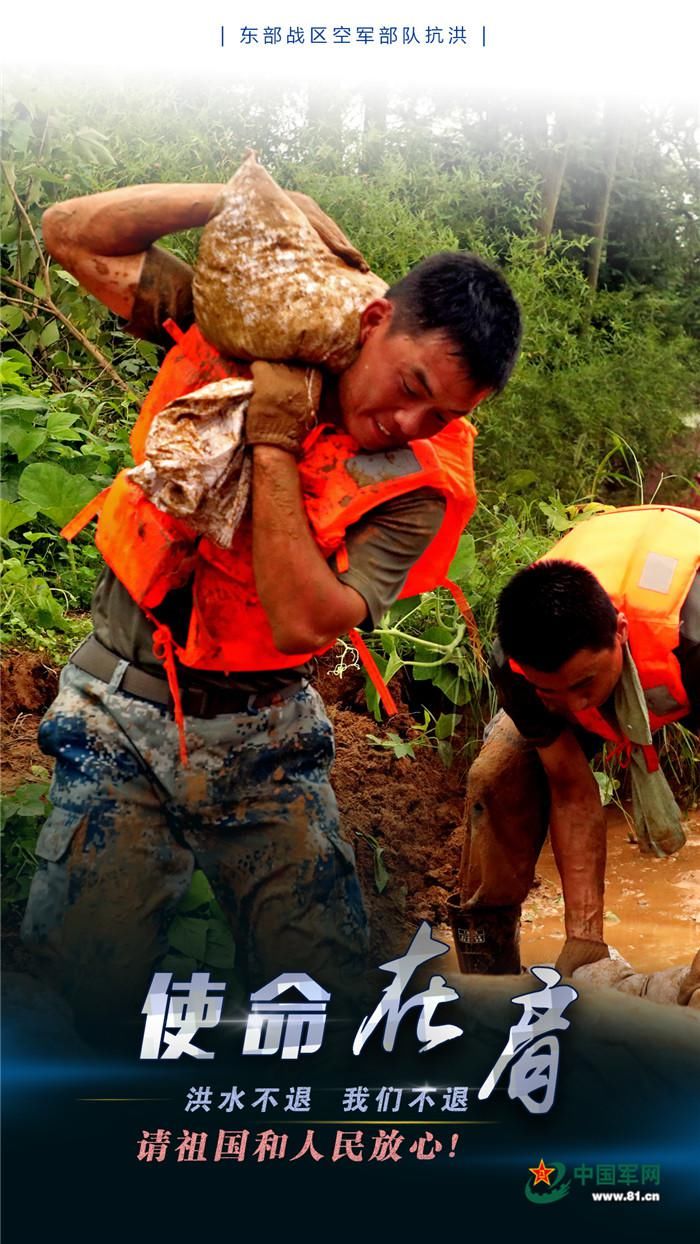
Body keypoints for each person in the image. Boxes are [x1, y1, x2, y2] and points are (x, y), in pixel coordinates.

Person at [21, 178, 522, 1043]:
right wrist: (232, 200)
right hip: (117, 709)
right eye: (407, 384)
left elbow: (301, 620)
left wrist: (276, 441)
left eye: (436, 413)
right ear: (372, 322)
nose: (402, 421)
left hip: (265, 738)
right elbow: (72, 235)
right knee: (72, 1005)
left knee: (326, 1004)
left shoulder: (420, 487)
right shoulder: (254, 319)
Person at [455, 504, 699, 980]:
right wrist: (583, 940)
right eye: (553, 691)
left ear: (621, 634)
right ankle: (487, 969)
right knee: (495, 778)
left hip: (676, 641)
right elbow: (570, 786)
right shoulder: (517, 659)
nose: (573, 704)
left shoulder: (695, 641)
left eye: (584, 684)